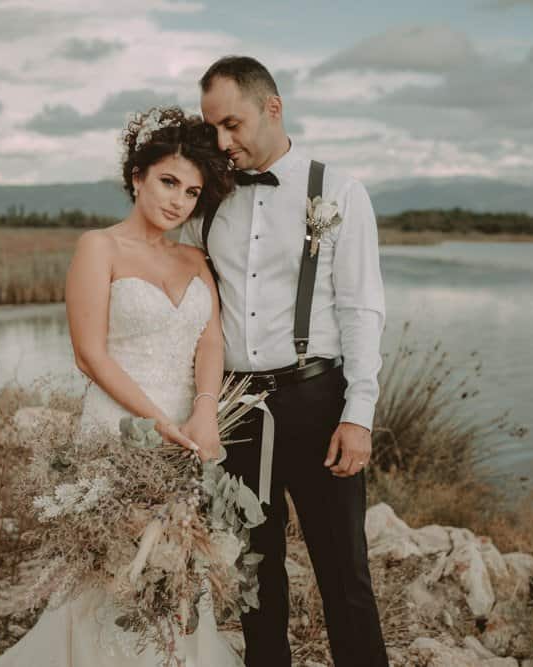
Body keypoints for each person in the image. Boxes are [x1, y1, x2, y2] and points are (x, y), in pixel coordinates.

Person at [0, 106, 240, 666]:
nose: (178, 201)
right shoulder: (97, 247)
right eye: (168, 182)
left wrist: (203, 413)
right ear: (136, 178)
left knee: (179, 560)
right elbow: (90, 354)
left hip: (189, 431)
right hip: (118, 429)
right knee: (114, 565)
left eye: (192, 192)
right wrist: (156, 422)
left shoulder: (196, 258)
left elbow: (210, 344)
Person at [179, 56, 390, 667]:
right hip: (237, 406)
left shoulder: (339, 191)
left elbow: (361, 309)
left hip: (317, 401)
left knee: (345, 573)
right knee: (254, 575)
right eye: (212, 128)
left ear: (273, 107)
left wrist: (360, 413)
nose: (222, 142)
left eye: (232, 124)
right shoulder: (208, 199)